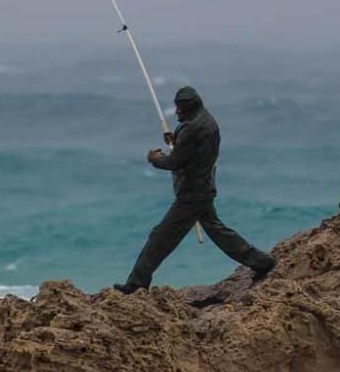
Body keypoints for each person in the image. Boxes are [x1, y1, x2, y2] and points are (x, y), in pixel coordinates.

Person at [113, 86, 276, 294]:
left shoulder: (193, 127)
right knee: (219, 232)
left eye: (180, 108)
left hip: (192, 194)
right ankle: (261, 262)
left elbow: (174, 162)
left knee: (160, 238)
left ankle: (136, 284)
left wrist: (154, 159)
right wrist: (177, 141)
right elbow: (193, 150)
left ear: (189, 107)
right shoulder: (205, 120)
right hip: (204, 187)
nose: (177, 112)